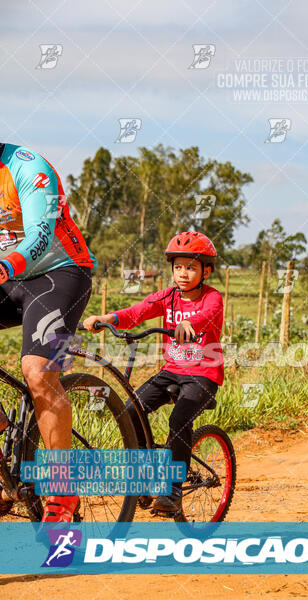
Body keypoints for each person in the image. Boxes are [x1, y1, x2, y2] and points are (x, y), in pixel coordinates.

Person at [83, 231, 224, 513]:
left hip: (203, 375)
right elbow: (138, 312)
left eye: (192, 267)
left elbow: (205, 315)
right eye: (178, 267)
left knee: (179, 419)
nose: (183, 273)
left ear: (206, 270)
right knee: (129, 410)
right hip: (171, 371)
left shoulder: (212, 298)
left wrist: (189, 324)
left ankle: (172, 491)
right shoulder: (168, 297)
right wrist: (106, 319)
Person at [0, 143, 97, 521]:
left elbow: (42, 233)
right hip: (8, 277)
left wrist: (6, 267)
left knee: (38, 371)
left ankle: (61, 494)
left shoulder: (29, 168)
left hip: (59, 273)